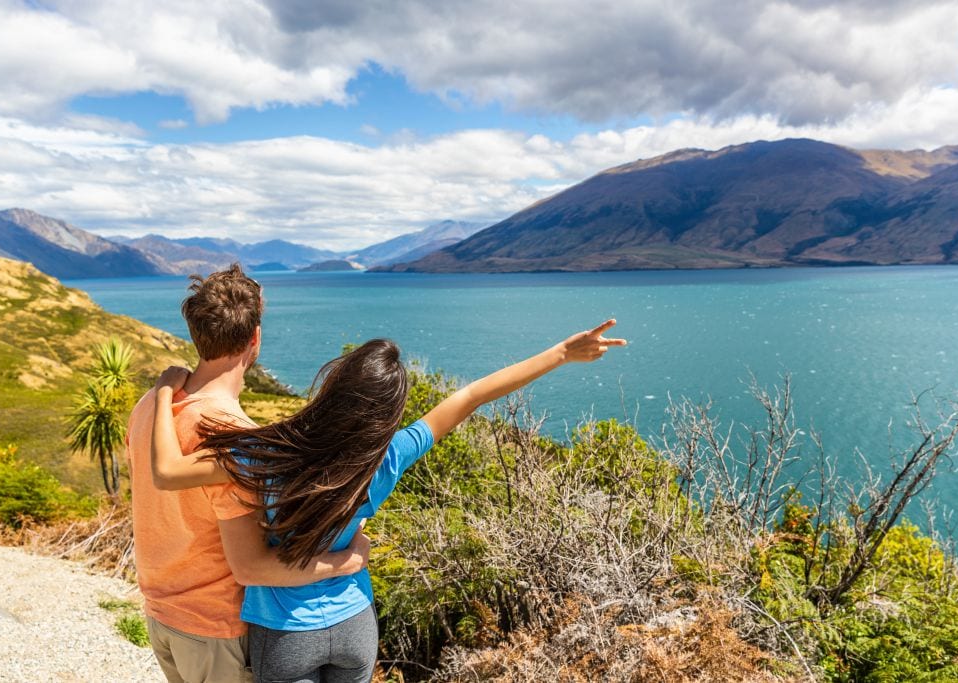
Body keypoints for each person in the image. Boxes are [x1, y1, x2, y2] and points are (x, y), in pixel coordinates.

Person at [150, 319, 627, 683]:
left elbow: (167, 472)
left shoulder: (270, 453)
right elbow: (471, 396)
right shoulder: (390, 456)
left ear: (335, 389)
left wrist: (162, 393)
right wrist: (562, 353)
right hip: (357, 624)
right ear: (388, 411)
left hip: (285, 629)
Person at [125, 263, 370, 683]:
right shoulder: (235, 439)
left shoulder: (152, 405)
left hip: (163, 617)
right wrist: (345, 561)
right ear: (254, 338)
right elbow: (252, 567)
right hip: (217, 629)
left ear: (197, 334)